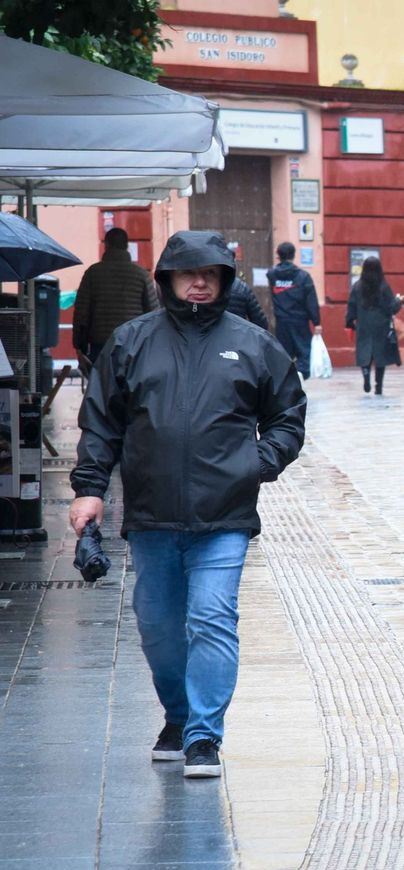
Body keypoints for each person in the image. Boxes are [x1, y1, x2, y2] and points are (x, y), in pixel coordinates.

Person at [69, 230, 306, 778]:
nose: (200, 282)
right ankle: (177, 716)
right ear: (167, 279)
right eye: (188, 273)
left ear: (224, 280)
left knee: (211, 617)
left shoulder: (251, 343)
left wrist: (259, 461)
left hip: (225, 514)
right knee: (156, 624)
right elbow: (101, 421)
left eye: (211, 273)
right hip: (151, 514)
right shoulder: (131, 342)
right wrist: (89, 489)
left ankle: (203, 736)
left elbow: (288, 413)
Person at [71, 227, 157, 373]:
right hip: (133, 343)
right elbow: (154, 313)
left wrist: (80, 346)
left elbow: (81, 313)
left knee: (102, 389)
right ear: (126, 246)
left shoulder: (93, 273)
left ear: (107, 245)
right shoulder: (142, 275)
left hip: (101, 343)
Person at [345, 256, 404, 395]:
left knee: (365, 352)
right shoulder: (384, 287)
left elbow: (351, 306)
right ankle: (379, 386)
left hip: (363, 325)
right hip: (381, 326)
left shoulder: (357, 287)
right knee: (380, 356)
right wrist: (398, 300)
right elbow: (392, 307)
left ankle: (366, 376)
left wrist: (349, 322)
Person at [268, 242, 322, 378]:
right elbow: (311, 301)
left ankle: (288, 380)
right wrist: (316, 322)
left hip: (282, 321)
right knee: (304, 352)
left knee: (284, 354)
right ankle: (301, 377)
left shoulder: (272, 275)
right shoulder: (303, 277)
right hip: (300, 321)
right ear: (293, 255)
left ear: (278, 255)